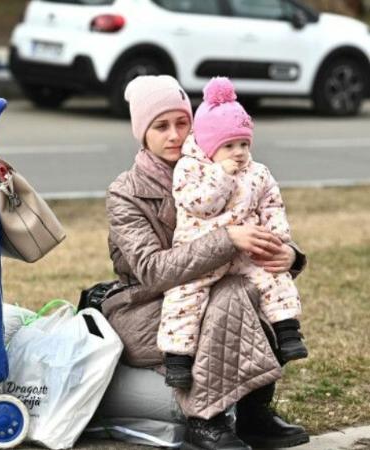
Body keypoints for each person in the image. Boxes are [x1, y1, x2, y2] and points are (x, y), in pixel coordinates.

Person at [103, 74, 309, 449]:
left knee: (253, 287)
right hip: (148, 307)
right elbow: (151, 271)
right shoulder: (125, 193)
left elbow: (265, 214)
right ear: (142, 133)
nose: (175, 135)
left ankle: (253, 414)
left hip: (220, 284)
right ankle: (207, 420)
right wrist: (227, 239)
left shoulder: (226, 163)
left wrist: (289, 255)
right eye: (160, 126)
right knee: (231, 294)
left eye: (183, 123)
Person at [159, 77, 307, 390]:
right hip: (202, 251)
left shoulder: (257, 171)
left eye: (244, 144)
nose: (238, 153)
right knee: (184, 298)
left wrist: (280, 239)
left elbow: (272, 203)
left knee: (273, 276)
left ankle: (288, 329)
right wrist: (220, 175)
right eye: (229, 145)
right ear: (210, 145)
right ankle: (178, 359)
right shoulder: (192, 169)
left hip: (245, 252)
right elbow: (200, 205)